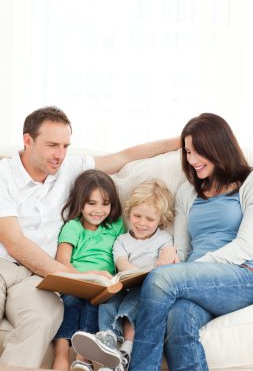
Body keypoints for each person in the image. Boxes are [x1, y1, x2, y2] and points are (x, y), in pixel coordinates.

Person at [0, 106, 180, 368]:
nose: (60, 154)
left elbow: (124, 156)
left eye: (65, 145)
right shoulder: (3, 174)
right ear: (28, 141)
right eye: (52, 145)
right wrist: (75, 276)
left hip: (37, 279)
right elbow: (14, 242)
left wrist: (181, 140)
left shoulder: (69, 167)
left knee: (45, 316)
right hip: (4, 265)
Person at [128, 112, 253, 371]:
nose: (192, 160)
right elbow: (184, 250)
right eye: (187, 152)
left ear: (218, 147)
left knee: (161, 279)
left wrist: (185, 271)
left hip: (241, 275)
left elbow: (246, 246)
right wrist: (172, 257)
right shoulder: (187, 192)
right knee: (179, 318)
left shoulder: (249, 183)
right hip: (194, 280)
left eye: (198, 152)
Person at [71, 179, 178, 371]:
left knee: (132, 303)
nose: (142, 223)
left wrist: (166, 257)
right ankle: (108, 340)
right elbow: (122, 264)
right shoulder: (121, 240)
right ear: (129, 213)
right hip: (125, 283)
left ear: (161, 219)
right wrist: (128, 275)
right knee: (108, 302)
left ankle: (126, 350)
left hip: (147, 289)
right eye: (137, 216)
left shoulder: (164, 238)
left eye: (150, 219)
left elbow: (166, 259)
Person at [52, 169, 125, 371]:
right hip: (75, 283)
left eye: (105, 203)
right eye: (91, 203)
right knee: (71, 303)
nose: (99, 210)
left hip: (102, 288)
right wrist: (87, 276)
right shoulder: (73, 227)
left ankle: (83, 357)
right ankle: (61, 354)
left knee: (95, 307)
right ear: (80, 202)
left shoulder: (116, 226)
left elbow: (126, 253)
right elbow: (62, 262)